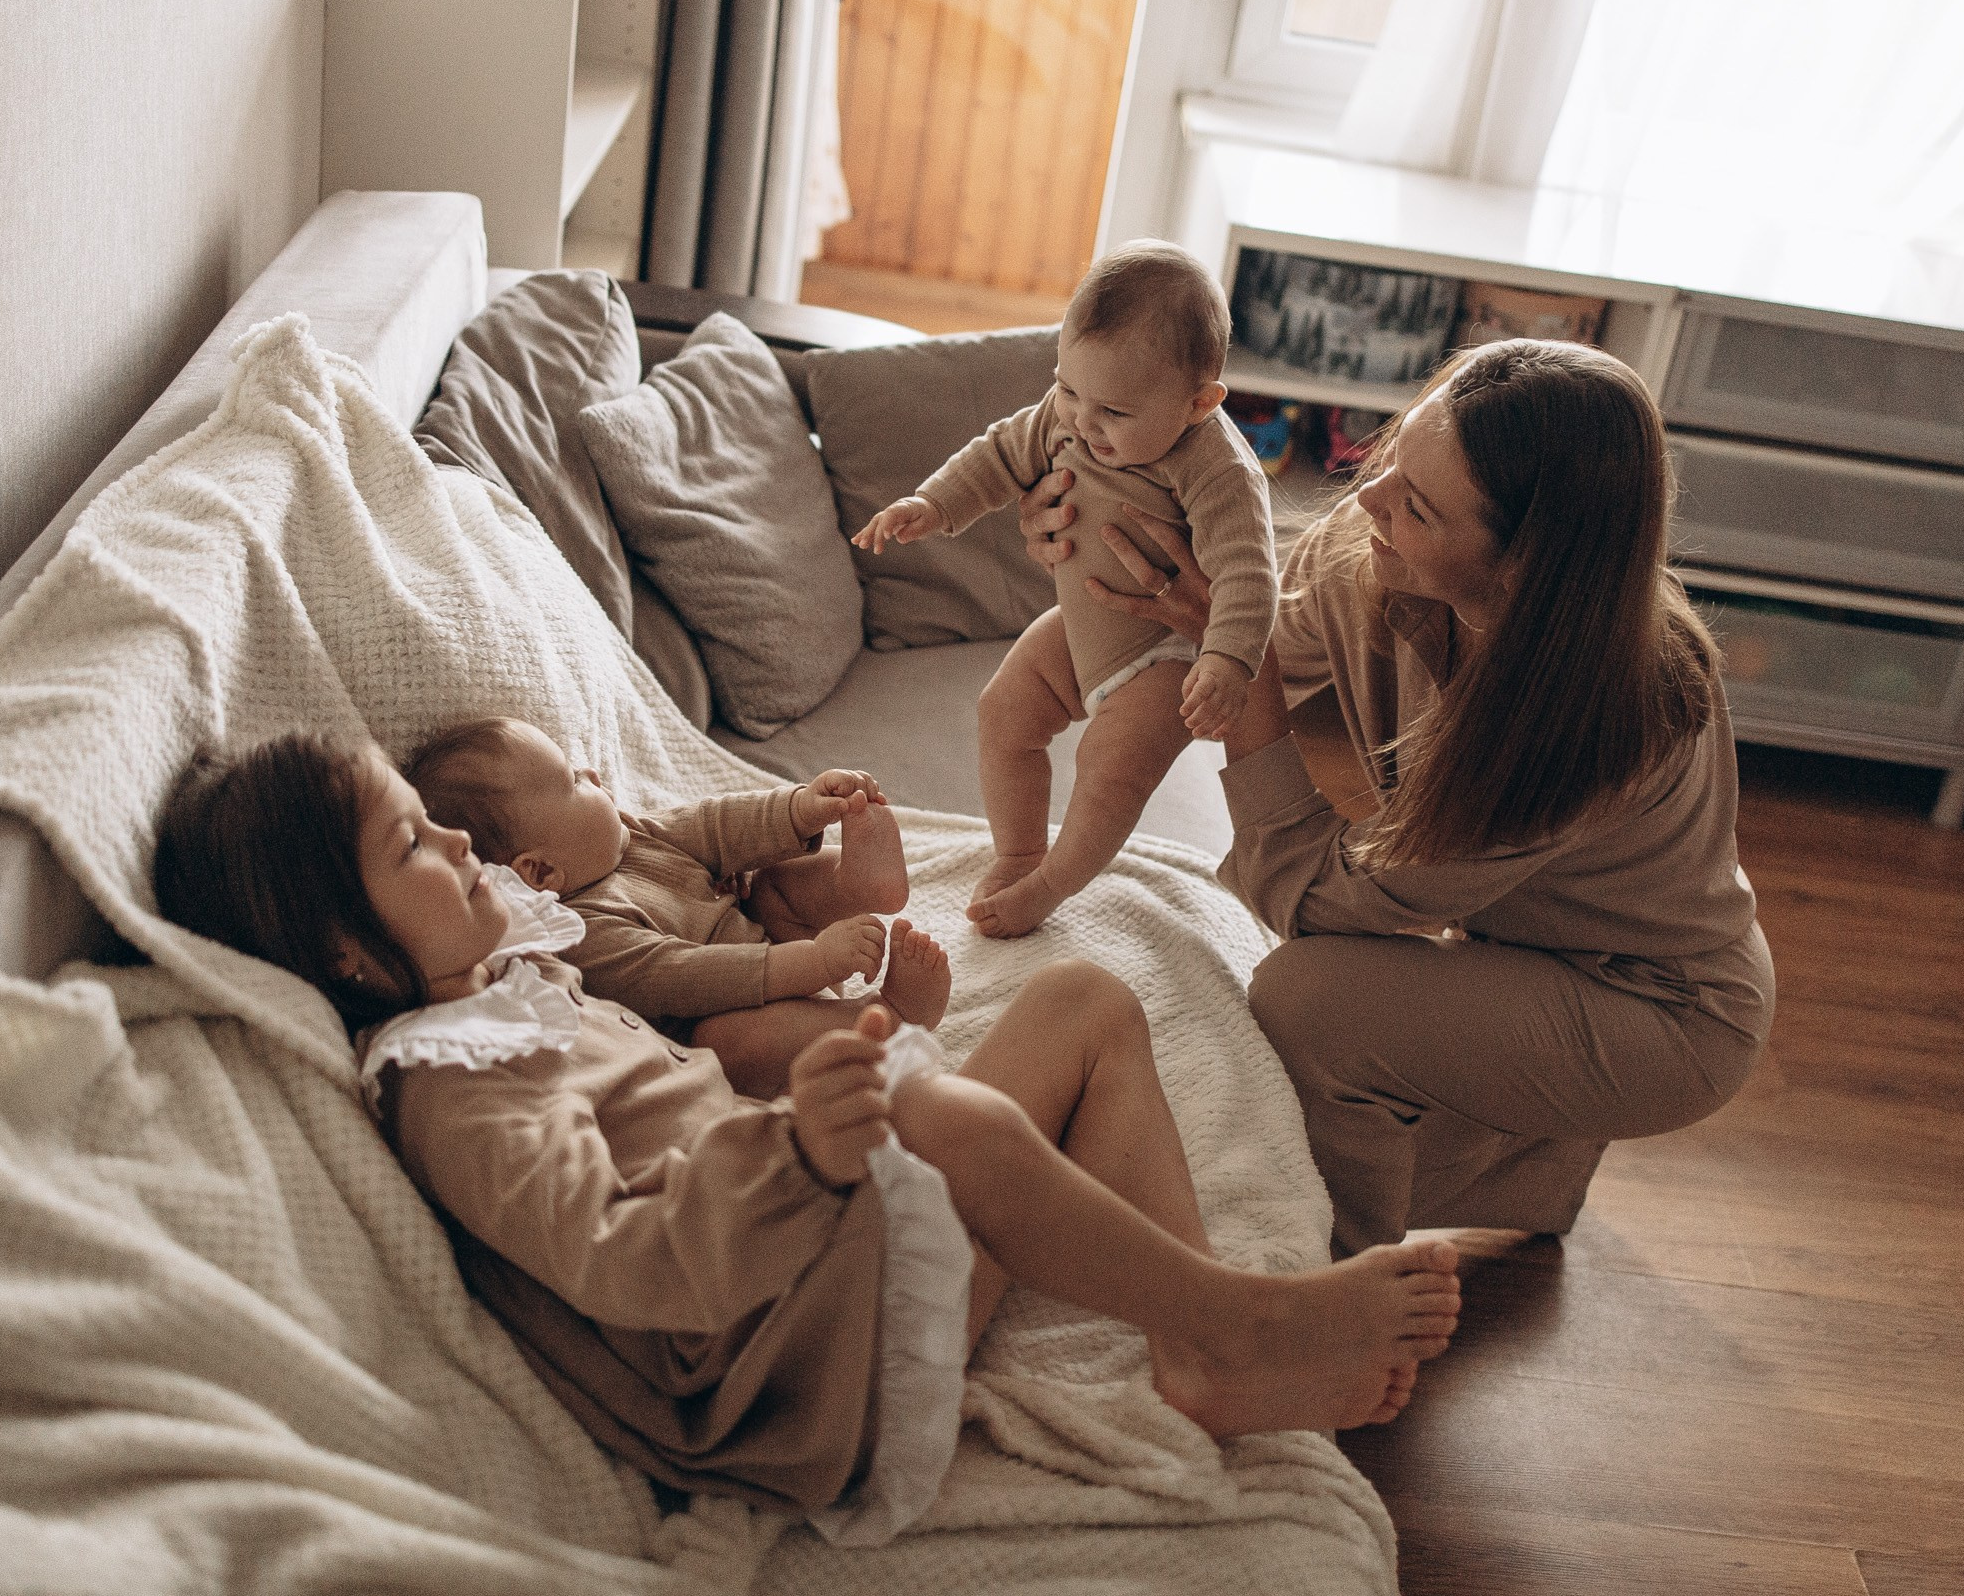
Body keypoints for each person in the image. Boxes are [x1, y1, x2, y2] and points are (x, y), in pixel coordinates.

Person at [150, 732, 1464, 1521]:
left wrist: (807, 1042)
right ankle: (1240, 1317)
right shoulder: (451, 1078)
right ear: (350, 951)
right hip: (783, 1370)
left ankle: (1202, 1346)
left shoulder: (518, 974)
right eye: (413, 844)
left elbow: (684, 1020)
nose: (456, 840)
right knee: (930, 1106)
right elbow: (618, 1254)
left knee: (1080, 1001)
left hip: (814, 1268)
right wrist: (799, 1149)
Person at [1017, 338, 1775, 1258]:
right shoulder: (1379, 551)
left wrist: (1245, 681)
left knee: (1309, 1005)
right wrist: (1092, 534)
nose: (1365, 497)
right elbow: (1220, 626)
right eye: (1392, 457)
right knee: (1221, 1130)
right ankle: (1531, 1164)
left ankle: (1338, 1285)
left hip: (1661, 1008)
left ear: (1521, 567)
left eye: (1416, 506)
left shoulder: (1586, 722)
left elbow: (1319, 904)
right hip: (1529, 938)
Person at [852, 241, 1277, 939]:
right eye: (1069, 389)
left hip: (1166, 651)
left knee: (1108, 769)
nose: (1081, 420)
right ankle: (1019, 854)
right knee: (1003, 712)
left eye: (1113, 410)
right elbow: (998, 455)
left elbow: (1248, 572)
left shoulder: (1218, 466)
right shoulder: (1067, 412)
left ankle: (1050, 887)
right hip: (1084, 626)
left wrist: (1227, 661)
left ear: (1199, 403)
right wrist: (931, 506)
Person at [403, 715, 941, 1101]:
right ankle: (887, 1016)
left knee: (771, 885)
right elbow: (686, 975)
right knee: (725, 1044)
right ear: (540, 872)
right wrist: (816, 962)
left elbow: (715, 826)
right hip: (734, 1007)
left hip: (764, 931)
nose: (592, 774)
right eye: (572, 780)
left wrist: (800, 809)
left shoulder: (629, 835)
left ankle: (858, 887)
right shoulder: (585, 935)